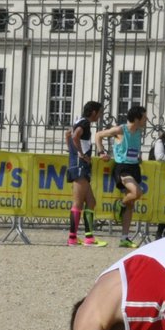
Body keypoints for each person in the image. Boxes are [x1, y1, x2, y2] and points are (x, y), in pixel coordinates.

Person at [96, 105, 147, 248]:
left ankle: (124, 237)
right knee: (136, 193)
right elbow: (98, 135)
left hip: (134, 167)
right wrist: (101, 153)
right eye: (144, 117)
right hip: (122, 168)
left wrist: (138, 155)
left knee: (131, 204)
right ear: (137, 118)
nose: (146, 119)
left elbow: (132, 148)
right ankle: (120, 203)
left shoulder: (138, 131)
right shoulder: (120, 130)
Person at [66, 101, 105, 247]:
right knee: (78, 202)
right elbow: (75, 136)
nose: (100, 116)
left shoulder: (79, 120)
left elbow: (68, 134)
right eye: (100, 112)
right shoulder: (85, 123)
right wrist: (80, 154)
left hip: (77, 164)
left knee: (91, 201)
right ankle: (72, 238)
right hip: (80, 165)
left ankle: (89, 237)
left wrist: (71, 152)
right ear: (94, 112)